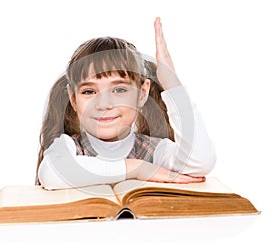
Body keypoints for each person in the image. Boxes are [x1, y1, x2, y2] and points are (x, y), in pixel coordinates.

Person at [35, 17, 216, 189]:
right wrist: (136, 169)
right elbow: (52, 173)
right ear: (73, 99)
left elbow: (200, 163)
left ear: (142, 94)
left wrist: (172, 85)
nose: (104, 105)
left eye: (119, 90)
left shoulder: (154, 151)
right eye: (89, 91)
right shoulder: (69, 147)